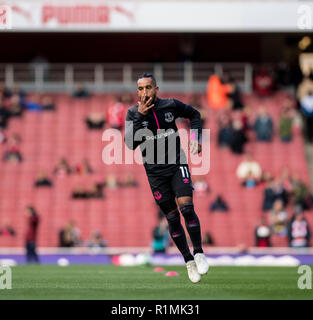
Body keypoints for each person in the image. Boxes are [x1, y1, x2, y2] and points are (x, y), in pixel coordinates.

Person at [125, 73, 209, 283]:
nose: (145, 92)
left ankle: (198, 252)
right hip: (155, 173)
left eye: (148, 88)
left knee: (187, 208)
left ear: (156, 89)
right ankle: (188, 261)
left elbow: (195, 114)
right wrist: (139, 116)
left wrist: (195, 138)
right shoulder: (132, 113)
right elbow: (130, 144)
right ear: (138, 92)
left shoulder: (170, 105)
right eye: (141, 89)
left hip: (176, 164)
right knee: (172, 218)